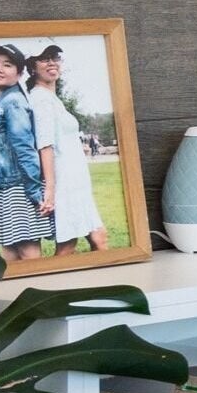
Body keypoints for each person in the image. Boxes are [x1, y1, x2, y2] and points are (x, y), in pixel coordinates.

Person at [29, 43, 111, 255]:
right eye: (44, 58)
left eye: (55, 57)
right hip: (65, 184)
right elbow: (44, 145)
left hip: (77, 183)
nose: (51, 62)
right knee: (68, 246)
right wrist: (50, 189)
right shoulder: (40, 99)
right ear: (32, 68)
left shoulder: (52, 99)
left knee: (99, 238)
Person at [0, 44, 50, 261]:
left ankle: (41, 288)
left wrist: (35, 193)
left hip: (20, 186)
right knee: (9, 249)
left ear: (19, 73)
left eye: (7, 65)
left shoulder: (13, 102)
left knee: (27, 249)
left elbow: (25, 149)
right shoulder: (2, 101)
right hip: (5, 185)